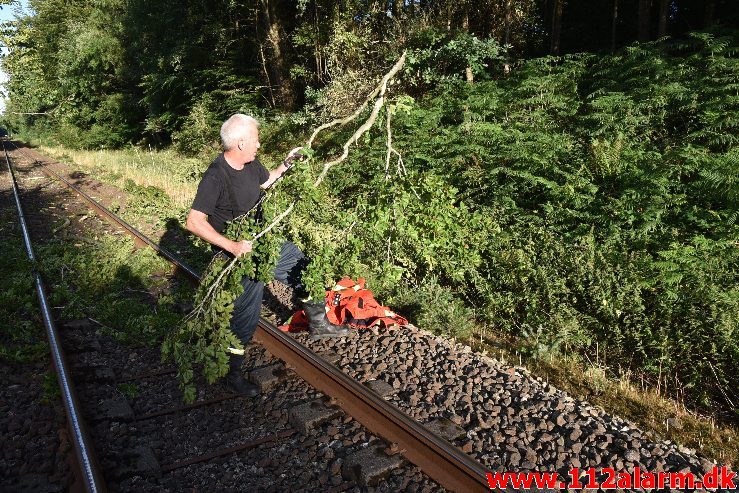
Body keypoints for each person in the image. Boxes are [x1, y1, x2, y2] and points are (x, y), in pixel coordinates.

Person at [186, 114, 349, 397]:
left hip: (266, 242)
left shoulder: (250, 164)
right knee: (246, 315)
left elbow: (264, 182)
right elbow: (194, 221)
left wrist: (286, 164)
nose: (259, 144)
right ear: (239, 143)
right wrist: (232, 246)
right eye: (255, 140)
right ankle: (231, 373)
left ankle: (319, 324)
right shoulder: (215, 176)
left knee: (303, 267)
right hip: (241, 255)